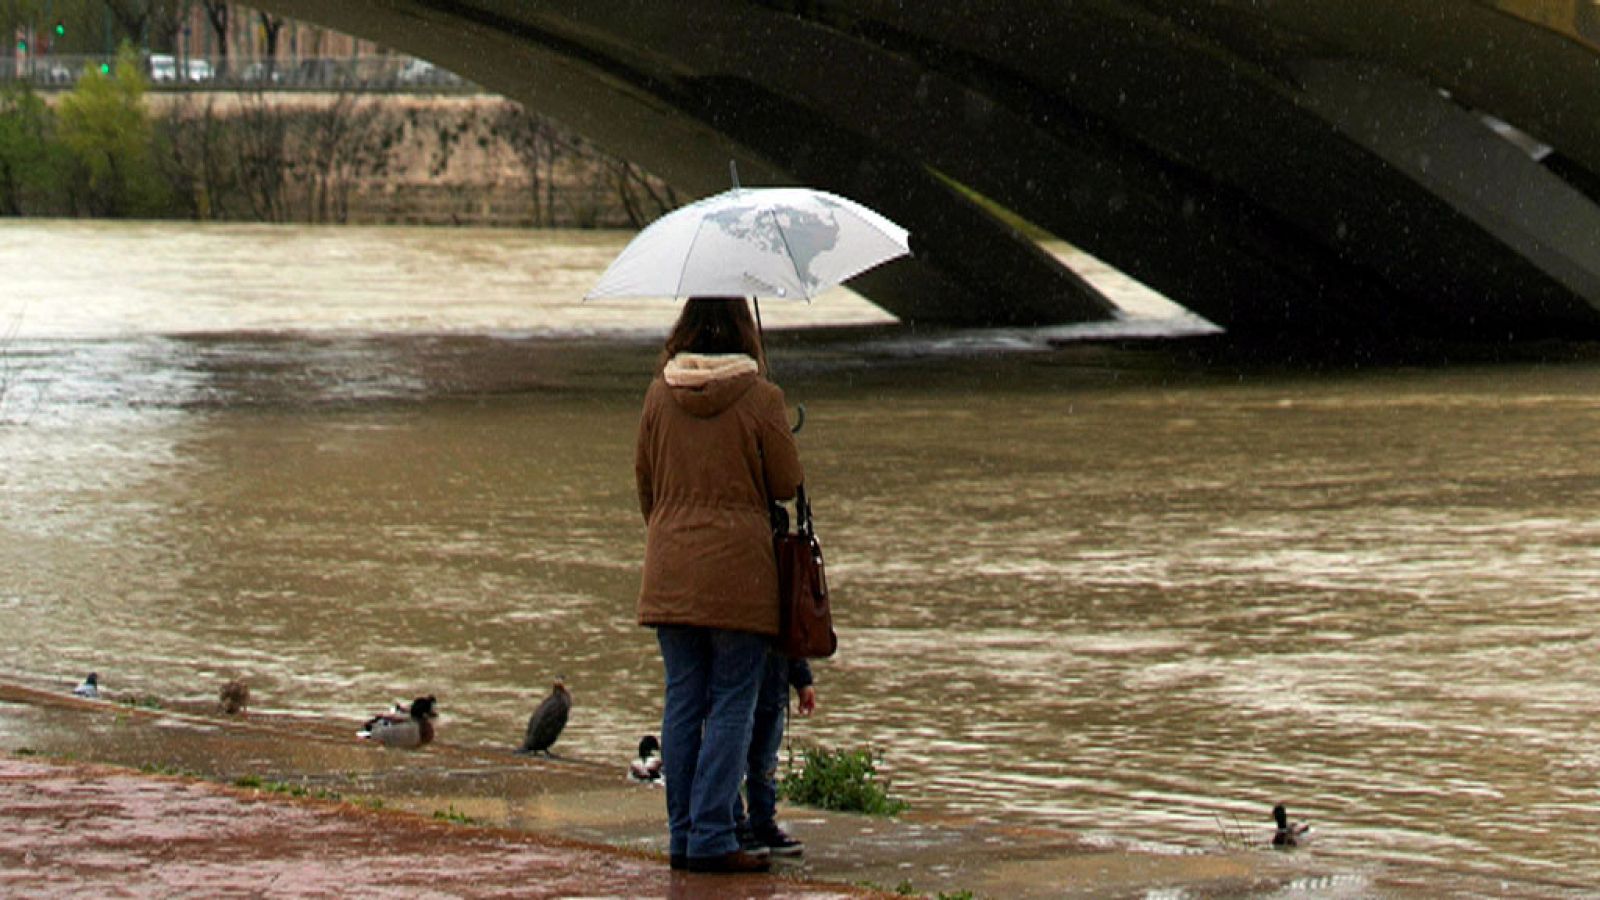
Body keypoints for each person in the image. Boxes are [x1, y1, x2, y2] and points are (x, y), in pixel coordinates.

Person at [635, 297, 803, 875]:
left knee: (683, 698)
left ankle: (683, 834)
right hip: (741, 574)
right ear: (746, 328)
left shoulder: (659, 393)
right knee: (734, 700)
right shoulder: (761, 398)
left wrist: (675, 534)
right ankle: (712, 833)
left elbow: (646, 485)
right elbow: (785, 482)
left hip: (670, 570)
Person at [735, 654, 816, 858]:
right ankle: (736, 822)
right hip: (743, 688)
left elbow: (790, 633)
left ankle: (761, 823)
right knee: (735, 761)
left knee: (765, 764)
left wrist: (803, 679)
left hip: (773, 688)